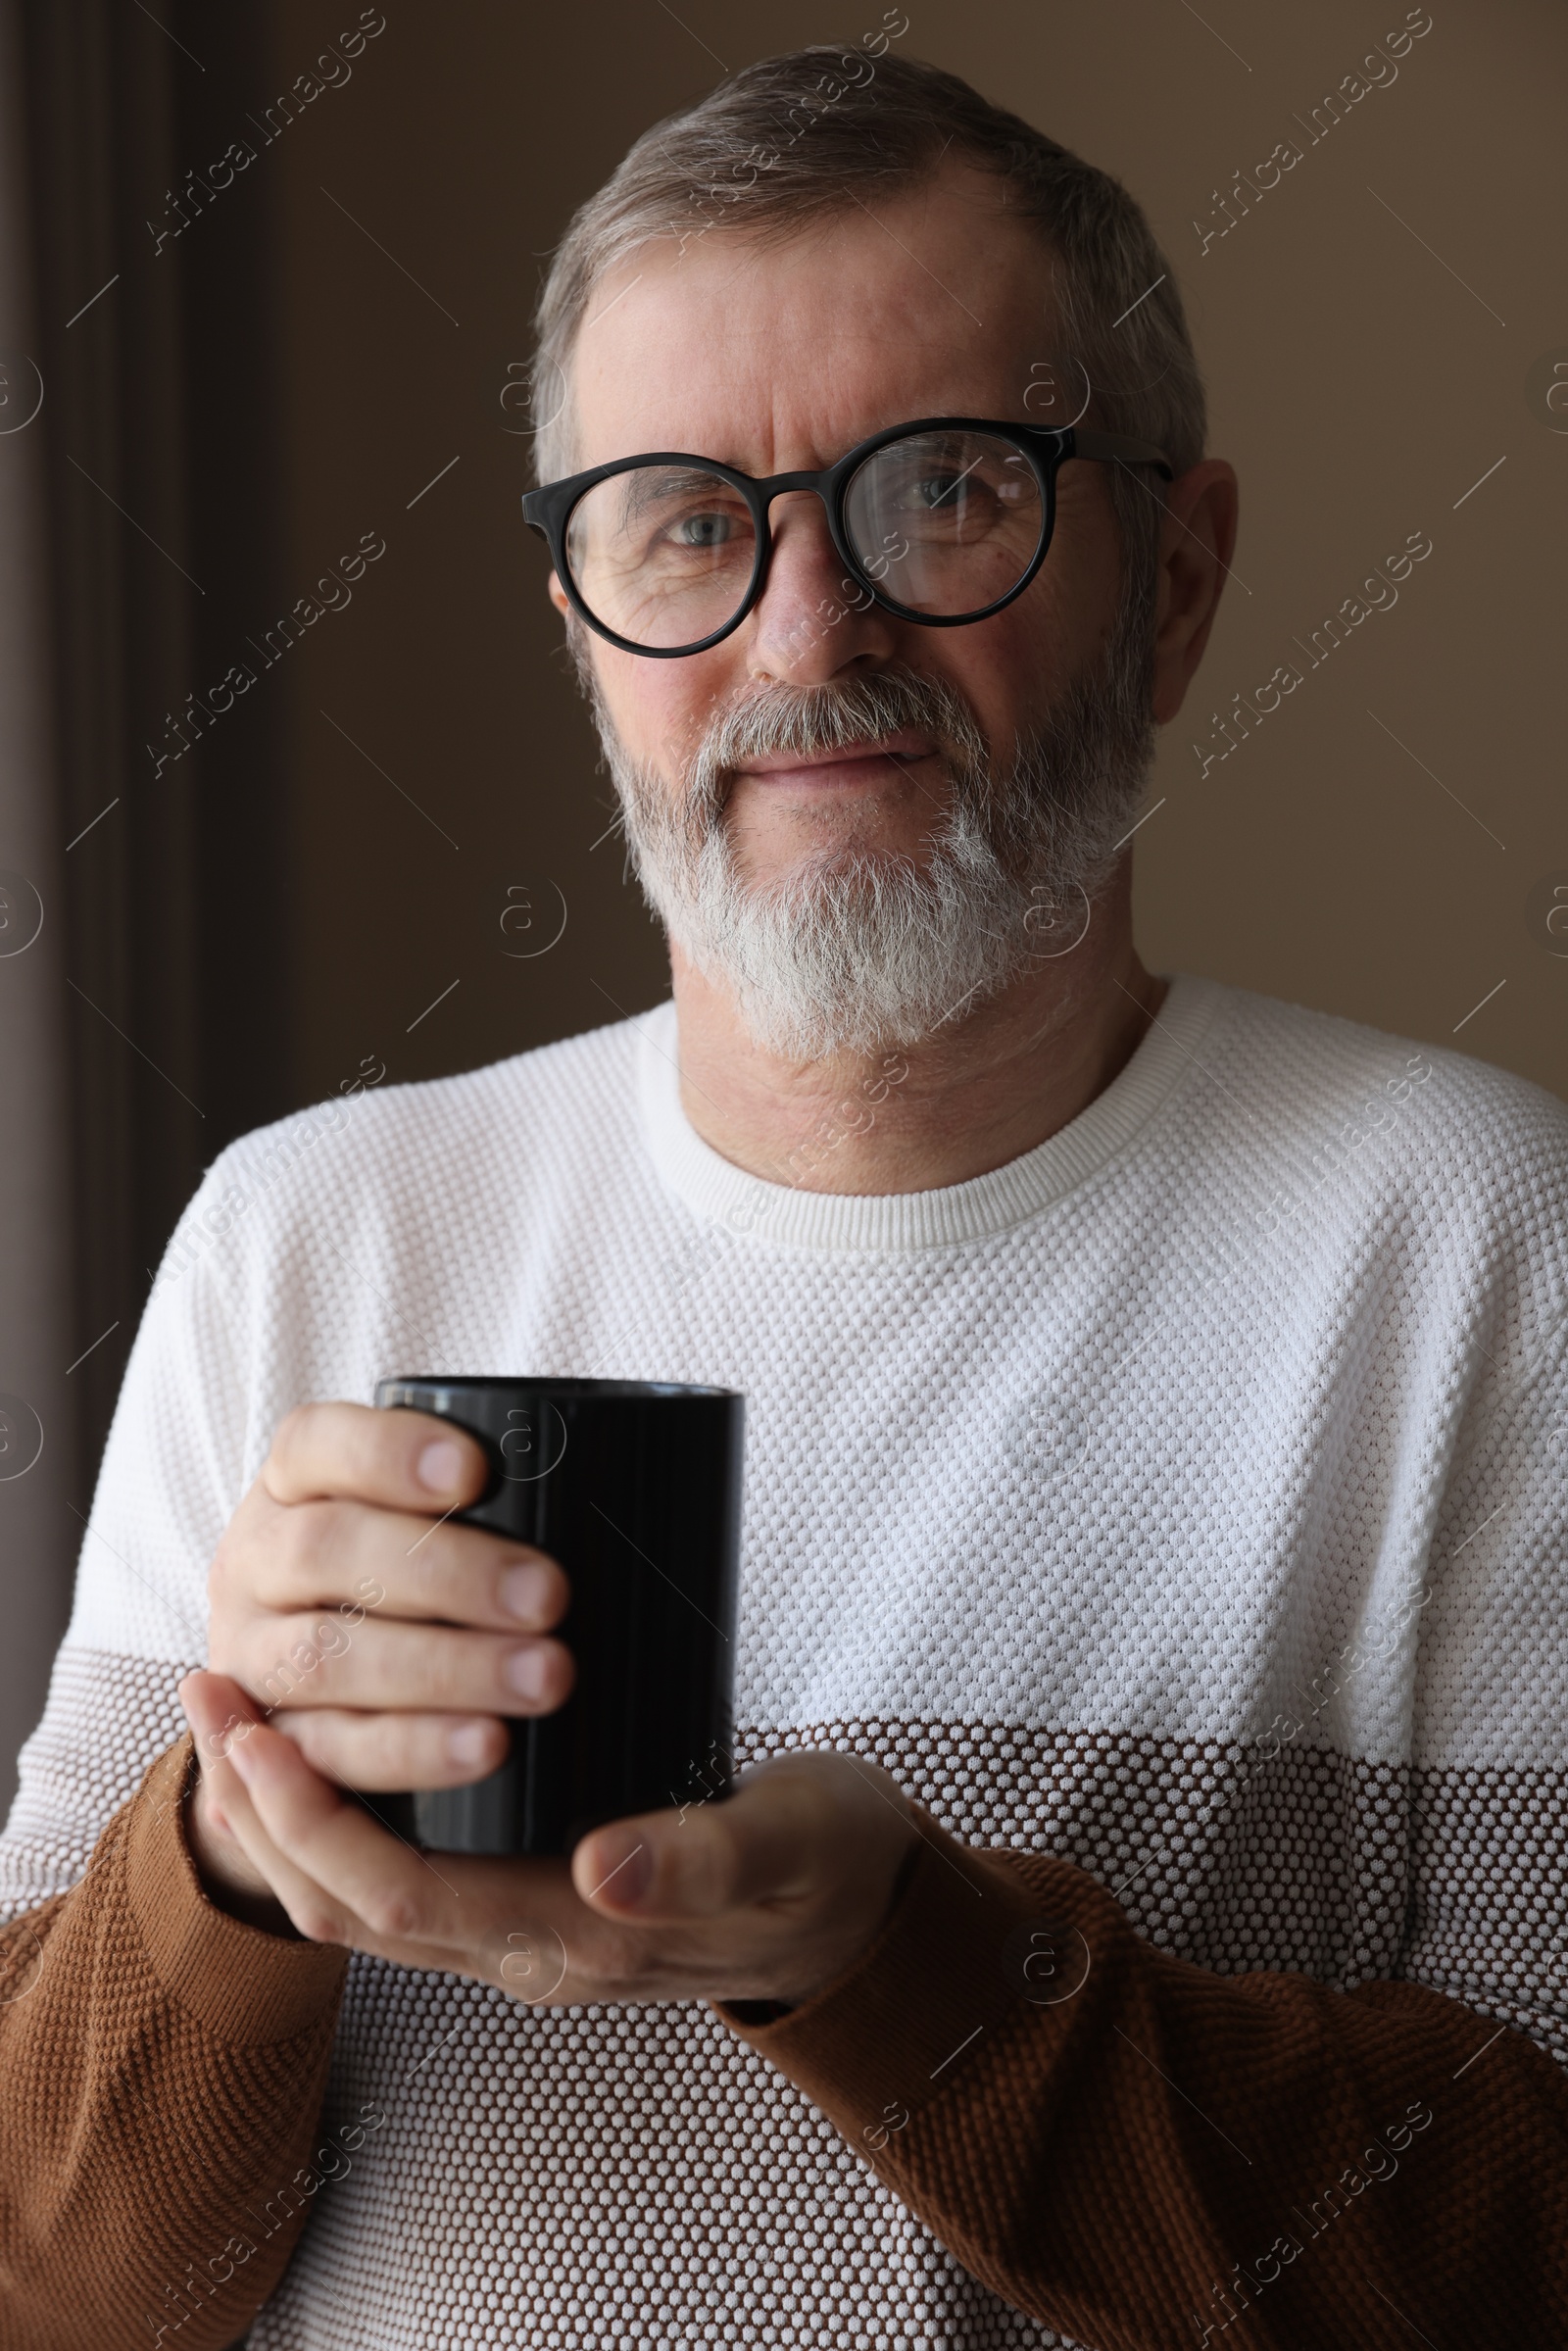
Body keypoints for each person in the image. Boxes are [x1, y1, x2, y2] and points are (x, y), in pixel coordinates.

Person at [2, 44, 1564, 2351]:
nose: (803, 636)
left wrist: (897, 1970)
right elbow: (53, 2285)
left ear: (1176, 574)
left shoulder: (1470, 1250)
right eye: (682, 523)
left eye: (940, 493)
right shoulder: (305, 1238)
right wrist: (228, 1868)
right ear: (580, 631)